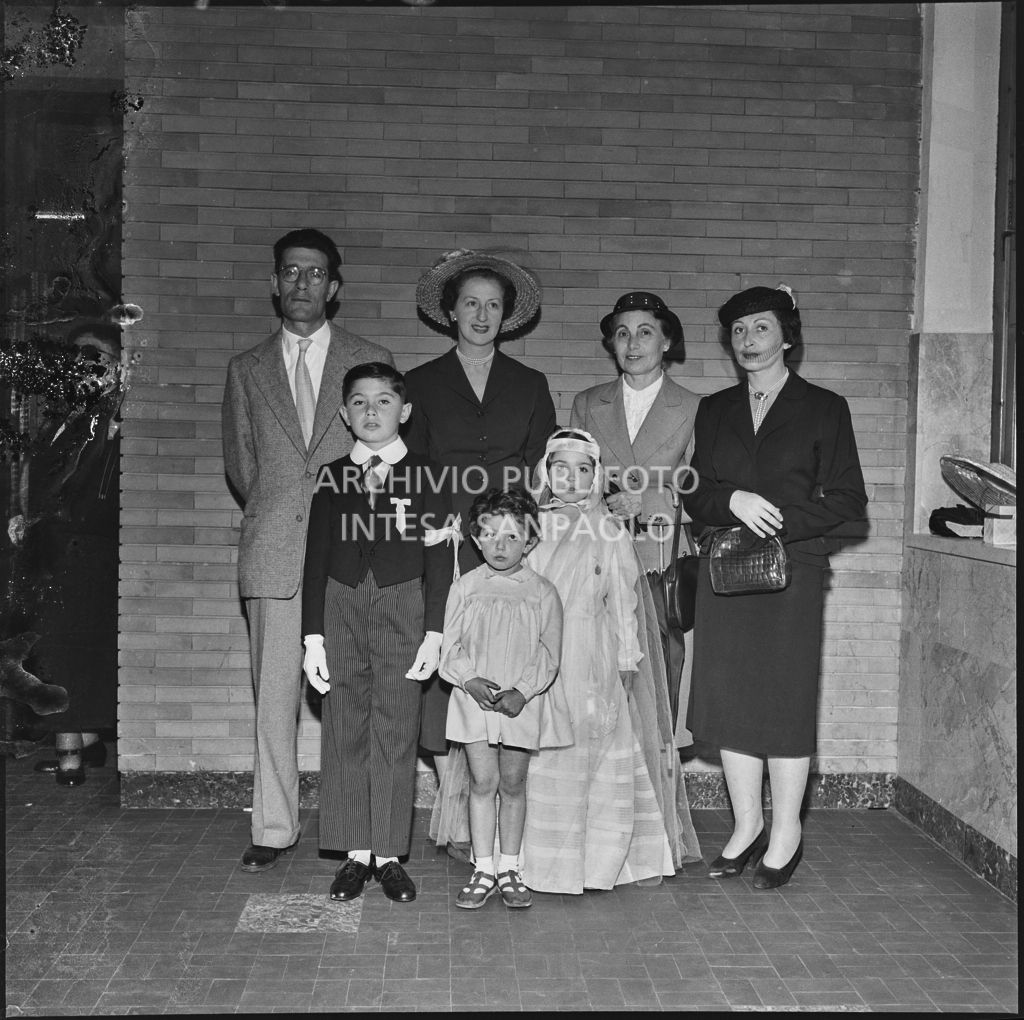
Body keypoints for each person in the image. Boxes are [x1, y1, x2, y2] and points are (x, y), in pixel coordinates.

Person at [221, 228, 394, 873]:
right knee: (274, 698)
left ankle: (360, 831)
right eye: (291, 272)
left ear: (334, 286)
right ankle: (273, 827)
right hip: (272, 554)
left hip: (351, 554)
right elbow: (243, 467)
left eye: (315, 273)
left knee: (358, 696)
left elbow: (382, 449)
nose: (302, 283)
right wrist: (285, 510)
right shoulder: (246, 369)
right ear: (274, 283)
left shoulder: (368, 357)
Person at [684, 285, 867, 890]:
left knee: (784, 703)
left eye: (760, 327)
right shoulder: (714, 409)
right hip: (726, 571)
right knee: (731, 700)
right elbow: (696, 492)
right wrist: (732, 500)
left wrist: (778, 520)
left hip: (792, 571)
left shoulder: (824, 407)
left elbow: (849, 500)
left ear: (788, 336)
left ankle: (786, 832)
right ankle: (746, 827)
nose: (748, 340)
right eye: (737, 330)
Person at [406, 248, 556, 853]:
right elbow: (412, 467)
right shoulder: (421, 383)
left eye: (493, 305)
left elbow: (543, 469)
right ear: (451, 311)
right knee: (449, 655)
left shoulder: (529, 383)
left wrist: (526, 531)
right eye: (470, 303)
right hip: (445, 541)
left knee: (510, 656)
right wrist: (430, 525)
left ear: (506, 315)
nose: (481, 314)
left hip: (509, 543)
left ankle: (505, 809)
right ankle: (458, 808)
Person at [520, 428, 702, 894]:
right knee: (541, 752)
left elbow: (624, 601)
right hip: (540, 655)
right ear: (545, 473)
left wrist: (625, 658)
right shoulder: (530, 527)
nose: (572, 478)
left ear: (597, 477)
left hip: (592, 657)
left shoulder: (608, 530)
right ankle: (537, 860)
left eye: (583, 469)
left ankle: (599, 860)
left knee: (595, 746)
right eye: (561, 468)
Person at [301, 363, 453, 903]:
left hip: (402, 604)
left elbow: (440, 559)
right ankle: (355, 853)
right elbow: (315, 558)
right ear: (344, 413)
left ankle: (387, 856)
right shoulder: (332, 475)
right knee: (344, 730)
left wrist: (434, 632)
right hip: (341, 604)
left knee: (395, 728)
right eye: (359, 402)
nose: (371, 411)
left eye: (384, 401)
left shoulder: (429, 475)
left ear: (404, 412)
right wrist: (313, 637)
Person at [570, 291, 702, 741]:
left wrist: (647, 501)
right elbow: (569, 477)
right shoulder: (588, 403)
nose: (632, 343)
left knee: (658, 672)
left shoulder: (694, 407)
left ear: (666, 342)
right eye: (622, 333)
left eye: (645, 332)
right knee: (596, 670)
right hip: (597, 552)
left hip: (659, 556)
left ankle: (659, 764)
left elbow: (704, 487)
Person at [437, 488, 571, 909]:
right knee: (483, 782)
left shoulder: (543, 591)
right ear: (476, 539)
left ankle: (510, 868)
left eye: (512, 536)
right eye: (490, 534)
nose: (500, 545)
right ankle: (483, 869)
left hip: (518, 705)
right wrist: (469, 680)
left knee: (513, 784)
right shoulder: (465, 587)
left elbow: (550, 652)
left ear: (530, 542)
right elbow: (450, 647)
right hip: (473, 702)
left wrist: (523, 691)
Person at [30, 323, 124, 785]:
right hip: (54, 547)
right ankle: (84, 739)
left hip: (88, 547)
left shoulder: (113, 416)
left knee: (70, 648)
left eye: (97, 359)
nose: (85, 368)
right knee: (54, 649)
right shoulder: (61, 418)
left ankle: (71, 751)